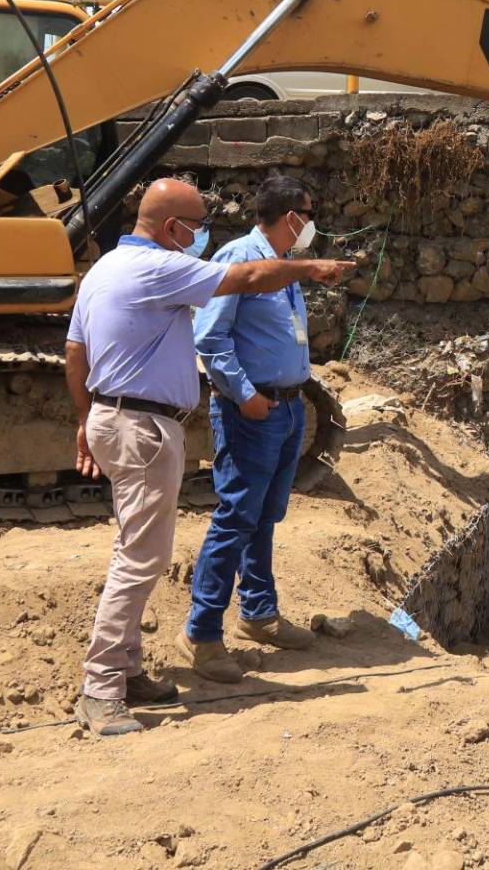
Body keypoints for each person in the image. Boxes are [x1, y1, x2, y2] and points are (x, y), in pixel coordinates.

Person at [66, 177, 353, 737]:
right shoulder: (159, 267)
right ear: (172, 227)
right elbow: (243, 280)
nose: (202, 234)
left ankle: (127, 670)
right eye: (197, 224)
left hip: (119, 417)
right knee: (141, 560)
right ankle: (101, 687)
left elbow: (75, 352)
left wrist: (86, 418)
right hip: (145, 426)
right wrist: (311, 267)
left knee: (138, 549)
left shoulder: (101, 269)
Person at [181, 177, 325, 683]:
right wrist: (245, 395)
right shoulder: (240, 258)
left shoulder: (282, 269)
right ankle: (201, 634)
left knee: (263, 515)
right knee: (236, 516)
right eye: (309, 212)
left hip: (286, 408)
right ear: (290, 216)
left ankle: (259, 614)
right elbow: (210, 336)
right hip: (253, 411)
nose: (312, 222)